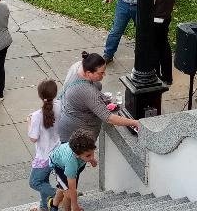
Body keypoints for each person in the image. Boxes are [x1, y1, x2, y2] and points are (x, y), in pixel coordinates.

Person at [56, 52, 139, 143]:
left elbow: (96, 86)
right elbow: (109, 117)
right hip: (77, 136)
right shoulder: (86, 91)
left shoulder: (78, 65)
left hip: (69, 122)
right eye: (101, 73)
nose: (104, 75)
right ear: (88, 73)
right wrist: (135, 123)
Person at [28, 80, 60, 211]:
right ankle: (43, 206)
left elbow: (33, 138)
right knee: (44, 180)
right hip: (58, 152)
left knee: (35, 182)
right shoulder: (60, 106)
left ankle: (60, 194)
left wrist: (29, 122)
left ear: (40, 95)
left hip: (45, 156)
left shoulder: (36, 116)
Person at [48, 131, 98, 211]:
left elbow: (89, 155)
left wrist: (92, 160)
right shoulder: (71, 162)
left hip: (74, 166)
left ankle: (54, 204)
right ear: (77, 154)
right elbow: (72, 189)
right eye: (88, 155)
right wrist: (75, 206)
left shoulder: (83, 151)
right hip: (58, 167)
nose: (92, 157)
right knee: (68, 194)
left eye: (93, 153)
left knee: (65, 188)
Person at [153, 0, 179, 85]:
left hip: (156, 18)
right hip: (166, 16)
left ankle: (156, 74)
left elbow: (151, 2)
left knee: (156, 46)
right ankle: (167, 76)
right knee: (164, 45)